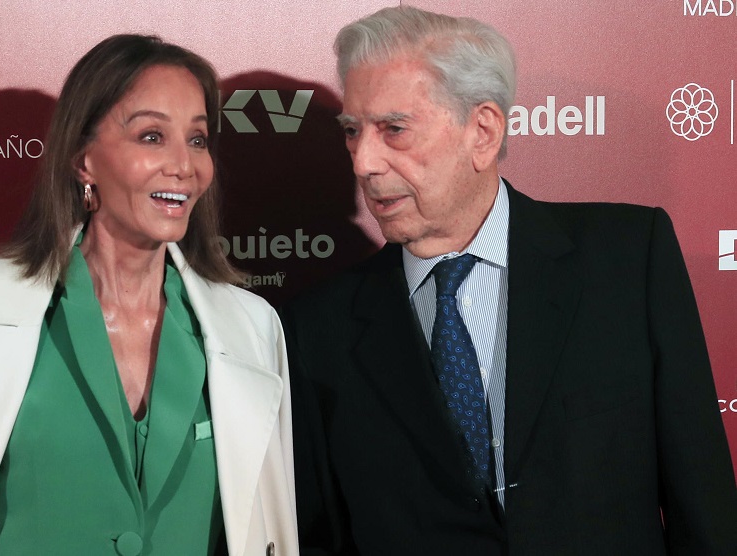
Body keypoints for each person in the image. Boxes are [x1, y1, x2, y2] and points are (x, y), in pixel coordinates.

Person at [280, 7, 737, 555]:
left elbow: (702, 498)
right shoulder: (316, 329)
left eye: (393, 129)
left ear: (483, 130)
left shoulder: (627, 257)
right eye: (353, 132)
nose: (363, 162)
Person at [0, 34, 297, 556]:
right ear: (82, 161)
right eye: (150, 137)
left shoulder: (250, 328)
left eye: (198, 139)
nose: (184, 165)